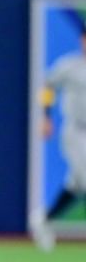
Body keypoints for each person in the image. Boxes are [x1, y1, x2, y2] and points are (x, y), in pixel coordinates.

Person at [43, 26, 86, 220]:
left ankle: (46, 219)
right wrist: (45, 116)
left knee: (76, 184)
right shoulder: (69, 66)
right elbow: (47, 86)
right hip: (76, 130)